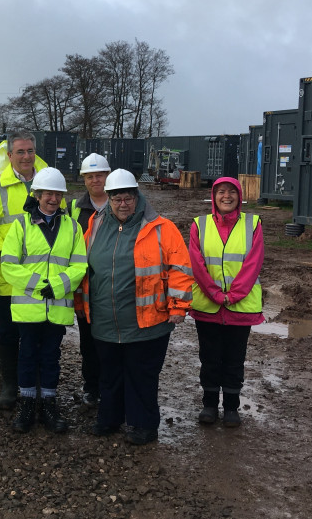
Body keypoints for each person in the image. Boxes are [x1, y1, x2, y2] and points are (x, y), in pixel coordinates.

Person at [82, 169, 193, 445]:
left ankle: (143, 425)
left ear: (137, 196)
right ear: (108, 198)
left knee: (141, 376)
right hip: (106, 322)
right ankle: (109, 419)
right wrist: (80, 305)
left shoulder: (161, 227)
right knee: (109, 374)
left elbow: (180, 267)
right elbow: (84, 268)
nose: (123, 203)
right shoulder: (95, 225)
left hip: (148, 322)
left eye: (128, 197)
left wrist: (178, 305)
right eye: (117, 198)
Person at [0, 167, 86, 433]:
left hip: (57, 307)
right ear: (37, 195)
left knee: (50, 356)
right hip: (29, 308)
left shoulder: (72, 227)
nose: (53, 199)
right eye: (48, 193)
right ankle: (27, 405)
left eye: (57, 194)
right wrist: (40, 286)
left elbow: (80, 264)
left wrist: (58, 286)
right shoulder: (20, 225)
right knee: (26, 355)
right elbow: (9, 265)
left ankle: (48, 404)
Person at [0, 128, 49, 410]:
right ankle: (9, 384)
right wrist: (1, 250)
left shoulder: (48, 184)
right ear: (10, 154)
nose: (26, 156)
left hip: (41, 275)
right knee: (7, 333)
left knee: (38, 333)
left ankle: (36, 382)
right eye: (20, 152)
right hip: (8, 276)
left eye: (30, 151)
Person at [188, 176, 264, 428]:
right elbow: (197, 265)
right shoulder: (199, 224)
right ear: (214, 196)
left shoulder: (253, 224)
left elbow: (253, 264)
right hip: (208, 307)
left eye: (232, 192)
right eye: (221, 192)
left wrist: (233, 295)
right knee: (209, 359)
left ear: (239, 196)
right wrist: (215, 294)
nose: (226, 196)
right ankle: (209, 405)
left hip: (239, 308)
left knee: (234, 359)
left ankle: (231, 407)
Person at [70, 152, 111, 407]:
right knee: (88, 342)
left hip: (113, 287)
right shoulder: (75, 209)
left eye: (100, 175)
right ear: (84, 179)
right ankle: (91, 389)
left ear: (108, 176)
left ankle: (111, 389)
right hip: (85, 287)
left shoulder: (121, 202)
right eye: (90, 176)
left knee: (112, 342)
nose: (95, 180)